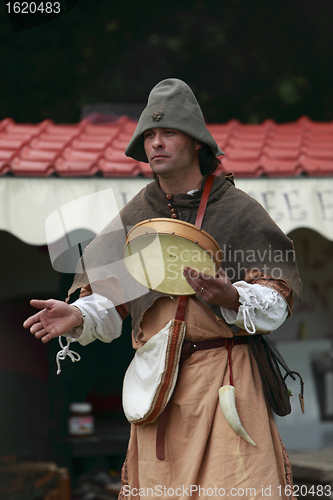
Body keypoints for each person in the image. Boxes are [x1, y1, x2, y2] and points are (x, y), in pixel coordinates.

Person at [24, 79, 301, 500]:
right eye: (149, 136)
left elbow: (277, 299)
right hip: (160, 385)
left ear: (195, 143)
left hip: (227, 381)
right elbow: (110, 298)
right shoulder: (139, 212)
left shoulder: (239, 210)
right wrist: (80, 315)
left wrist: (232, 296)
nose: (156, 143)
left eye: (168, 132)